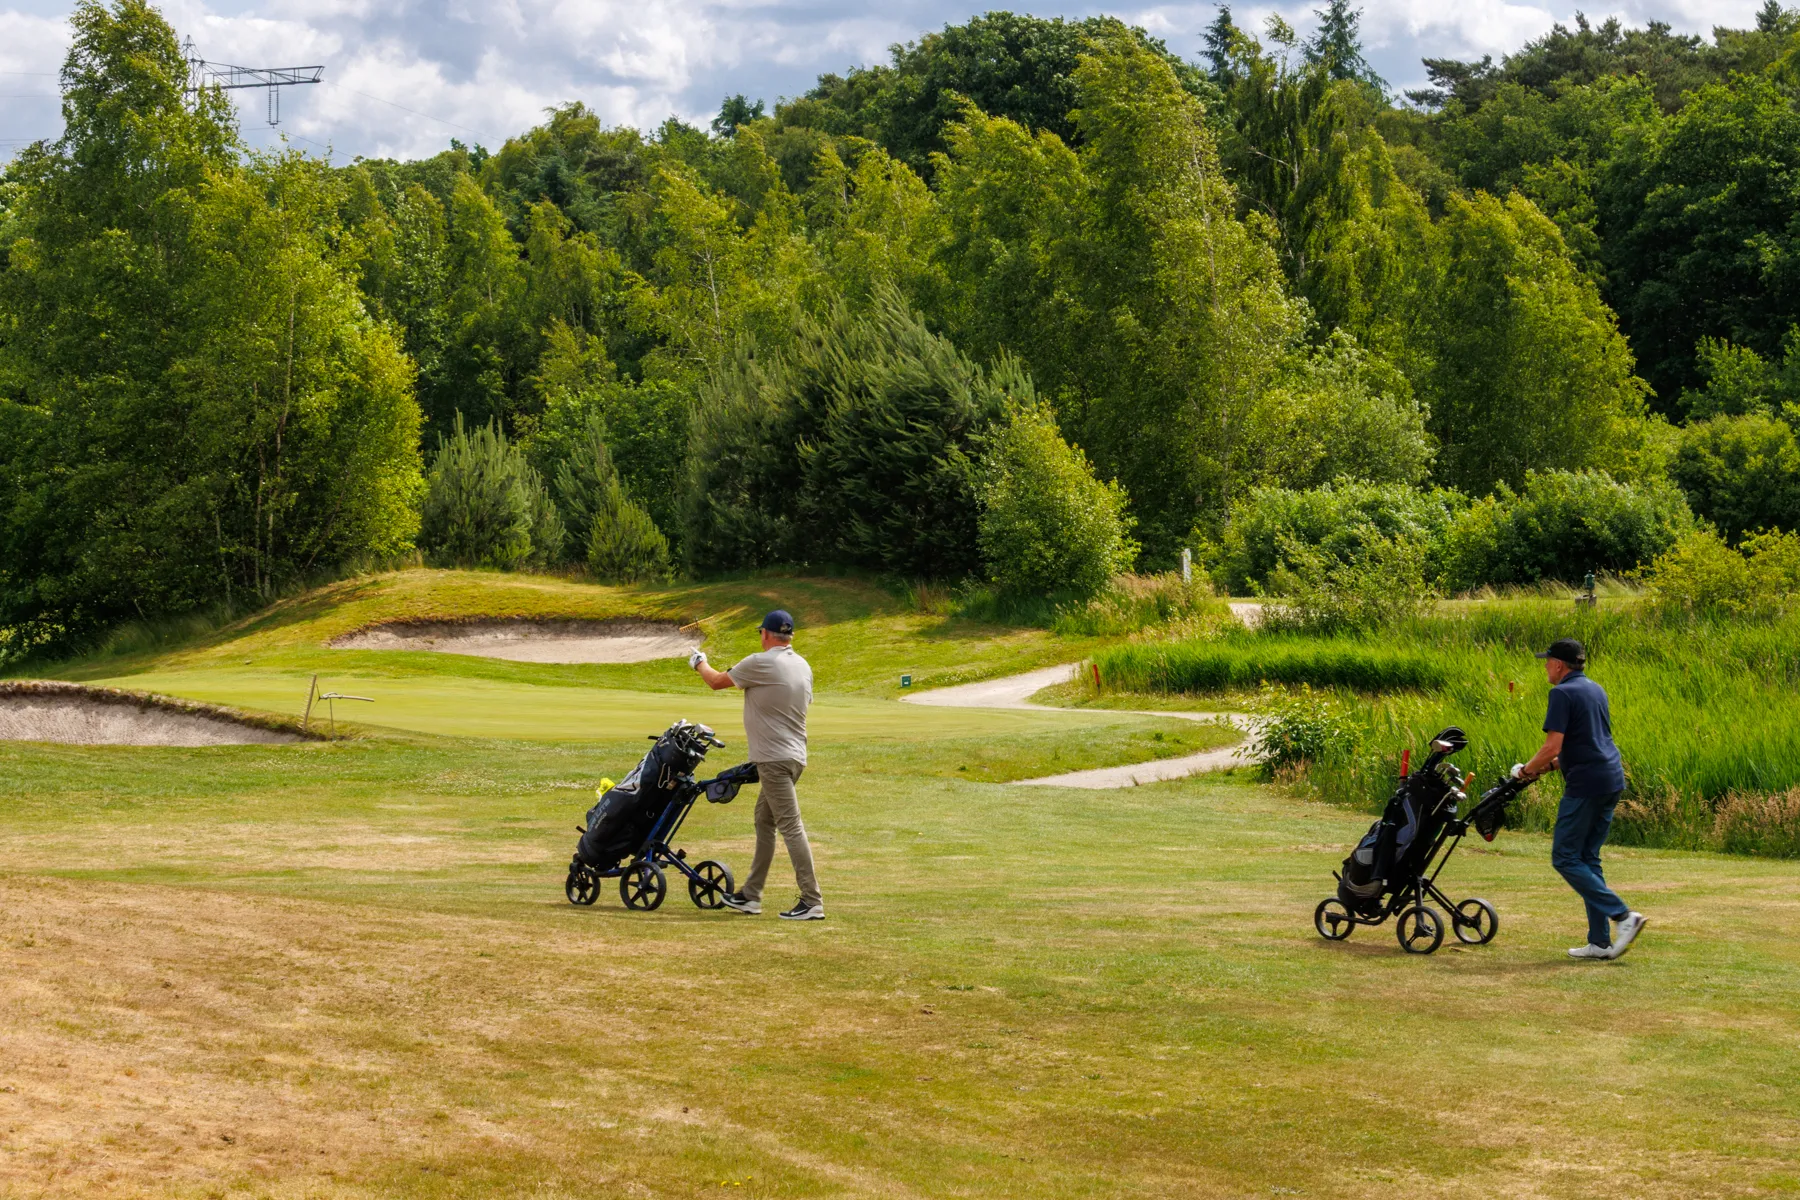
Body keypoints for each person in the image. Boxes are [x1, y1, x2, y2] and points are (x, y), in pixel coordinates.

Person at [1515, 637, 1645, 961]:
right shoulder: (1595, 689)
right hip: (1610, 778)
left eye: (1547, 661)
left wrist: (1524, 771)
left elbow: (1551, 746)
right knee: (1587, 857)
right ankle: (1599, 943)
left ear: (1559, 665)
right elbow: (1587, 742)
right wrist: (1548, 768)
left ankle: (1623, 917)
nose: (1545, 665)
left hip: (1586, 784)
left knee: (1565, 857)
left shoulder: (1561, 693)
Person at [688, 610, 822, 921]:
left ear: (765, 634)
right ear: (790, 636)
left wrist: (699, 663)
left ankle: (811, 900)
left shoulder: (760, 662)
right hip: (794, 757)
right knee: (764, 820)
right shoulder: (802, 665)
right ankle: (750, 895)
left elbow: (716, 681)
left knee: (790, 826)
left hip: (773, 760)